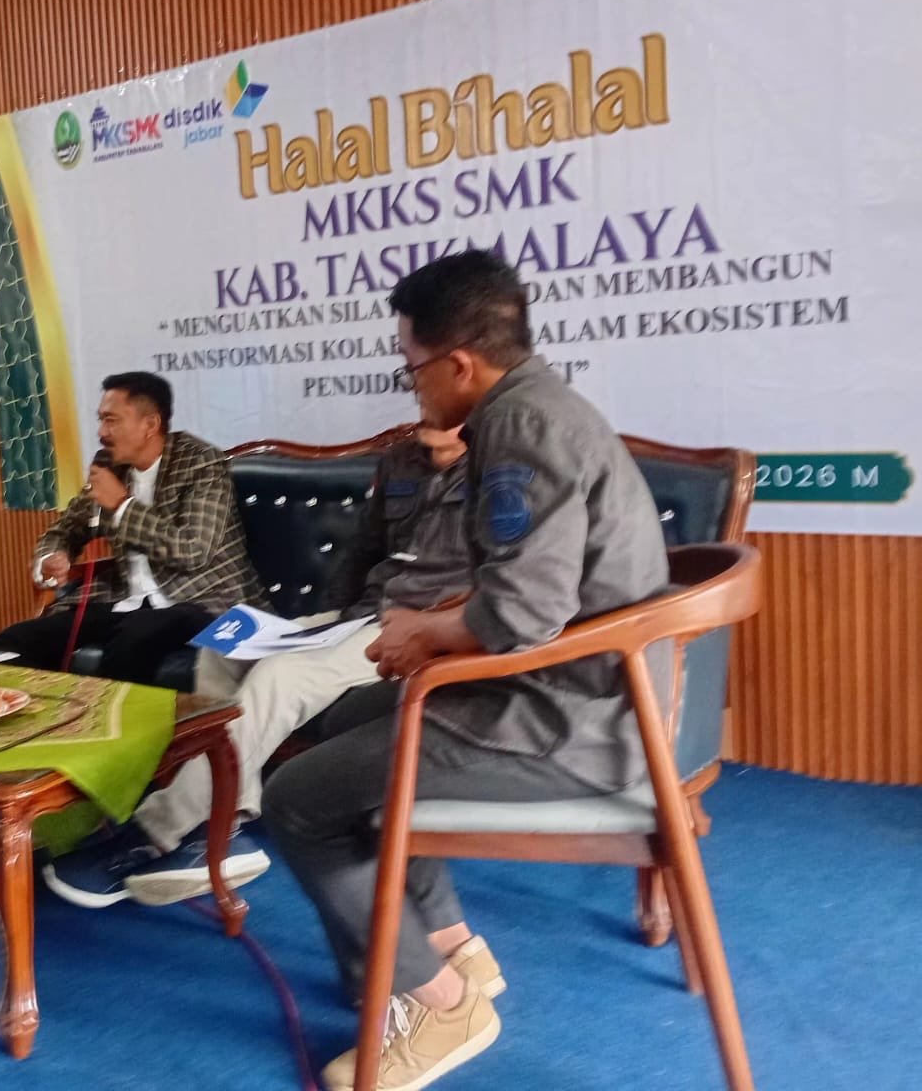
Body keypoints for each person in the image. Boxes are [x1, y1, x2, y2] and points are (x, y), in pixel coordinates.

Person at [261, 250, 670, 1091]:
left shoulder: (520, 426)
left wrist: (428, 635)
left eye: (411, 369)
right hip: (592, 698)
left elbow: (525, 611)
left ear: (457, 364)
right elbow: (538, 586)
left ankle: (441, 1004)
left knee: (297, 800)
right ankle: (447, 947)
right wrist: (434, 627)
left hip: (571, 726)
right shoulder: (539, 407)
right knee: (349, 721)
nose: (412, 388)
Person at [40, 424, 472, 910]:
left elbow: (505, 587)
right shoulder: (401, 462)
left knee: (281, 676)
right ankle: (224, 825)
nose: (427, 407)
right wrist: (327, 621)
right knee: (224, 647)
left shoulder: (500, 462)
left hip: (424, 635)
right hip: (360, 618)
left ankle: (157, 832)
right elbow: (363, 553)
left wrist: (440, 630)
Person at [0, 371, 264, 686]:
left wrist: (122, 505)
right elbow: (64, 530)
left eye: (112, 421)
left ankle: (109, 718)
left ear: (150, 424)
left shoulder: (201, 464)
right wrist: (53, 557)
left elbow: (192, 550)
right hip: (125, 601)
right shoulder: (111, 467)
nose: (102, 432)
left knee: (132, 641)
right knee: (14, 641)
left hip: (199, 601)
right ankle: (50, 716)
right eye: (101, 420)